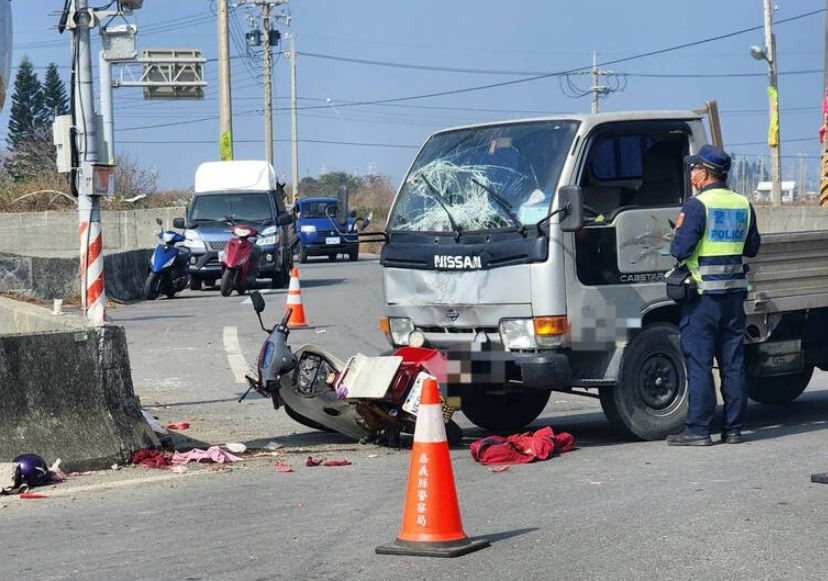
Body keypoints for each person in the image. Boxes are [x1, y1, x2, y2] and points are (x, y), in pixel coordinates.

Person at [666, 144, 761, 446]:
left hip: (703, 298)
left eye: (694, 168)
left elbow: (680, 250)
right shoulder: (742, 203)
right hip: (734, 297)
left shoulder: (697, 206)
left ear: (704, 174)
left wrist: (677, 239)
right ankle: (733, 429)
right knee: (733, 363)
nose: (691, 173)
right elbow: (752, 248)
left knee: (700, 364)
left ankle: (698, 429)